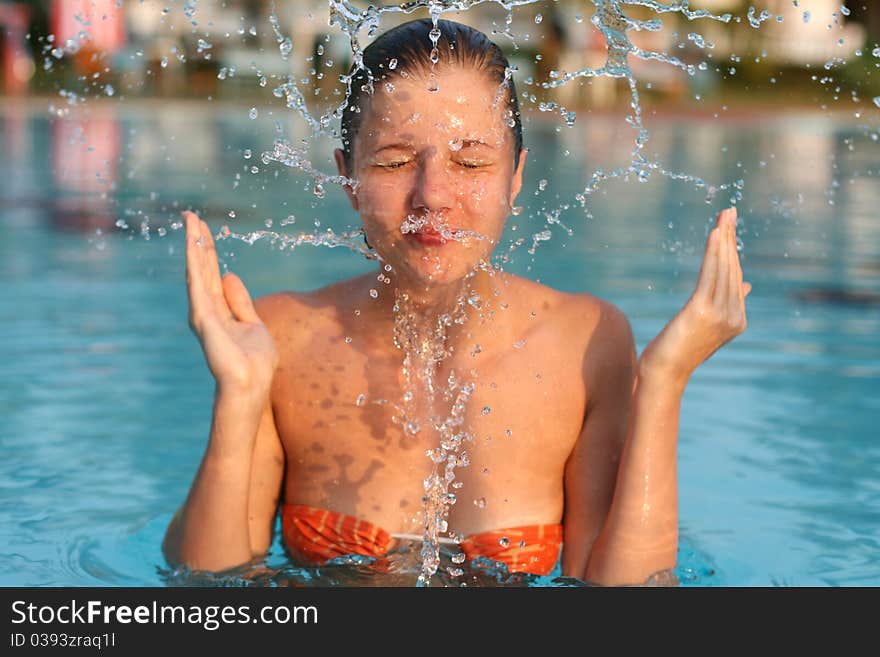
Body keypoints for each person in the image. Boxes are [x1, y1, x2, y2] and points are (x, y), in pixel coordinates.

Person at [162, 18, 750, 585]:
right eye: (393, 161)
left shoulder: (585, 342)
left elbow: (625, 598)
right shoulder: (281, 338)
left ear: (515, 176)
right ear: (348, 179)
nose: (433, 195)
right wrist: (239, 397)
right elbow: (206, 591)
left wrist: (665, 382)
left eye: (471, 162)